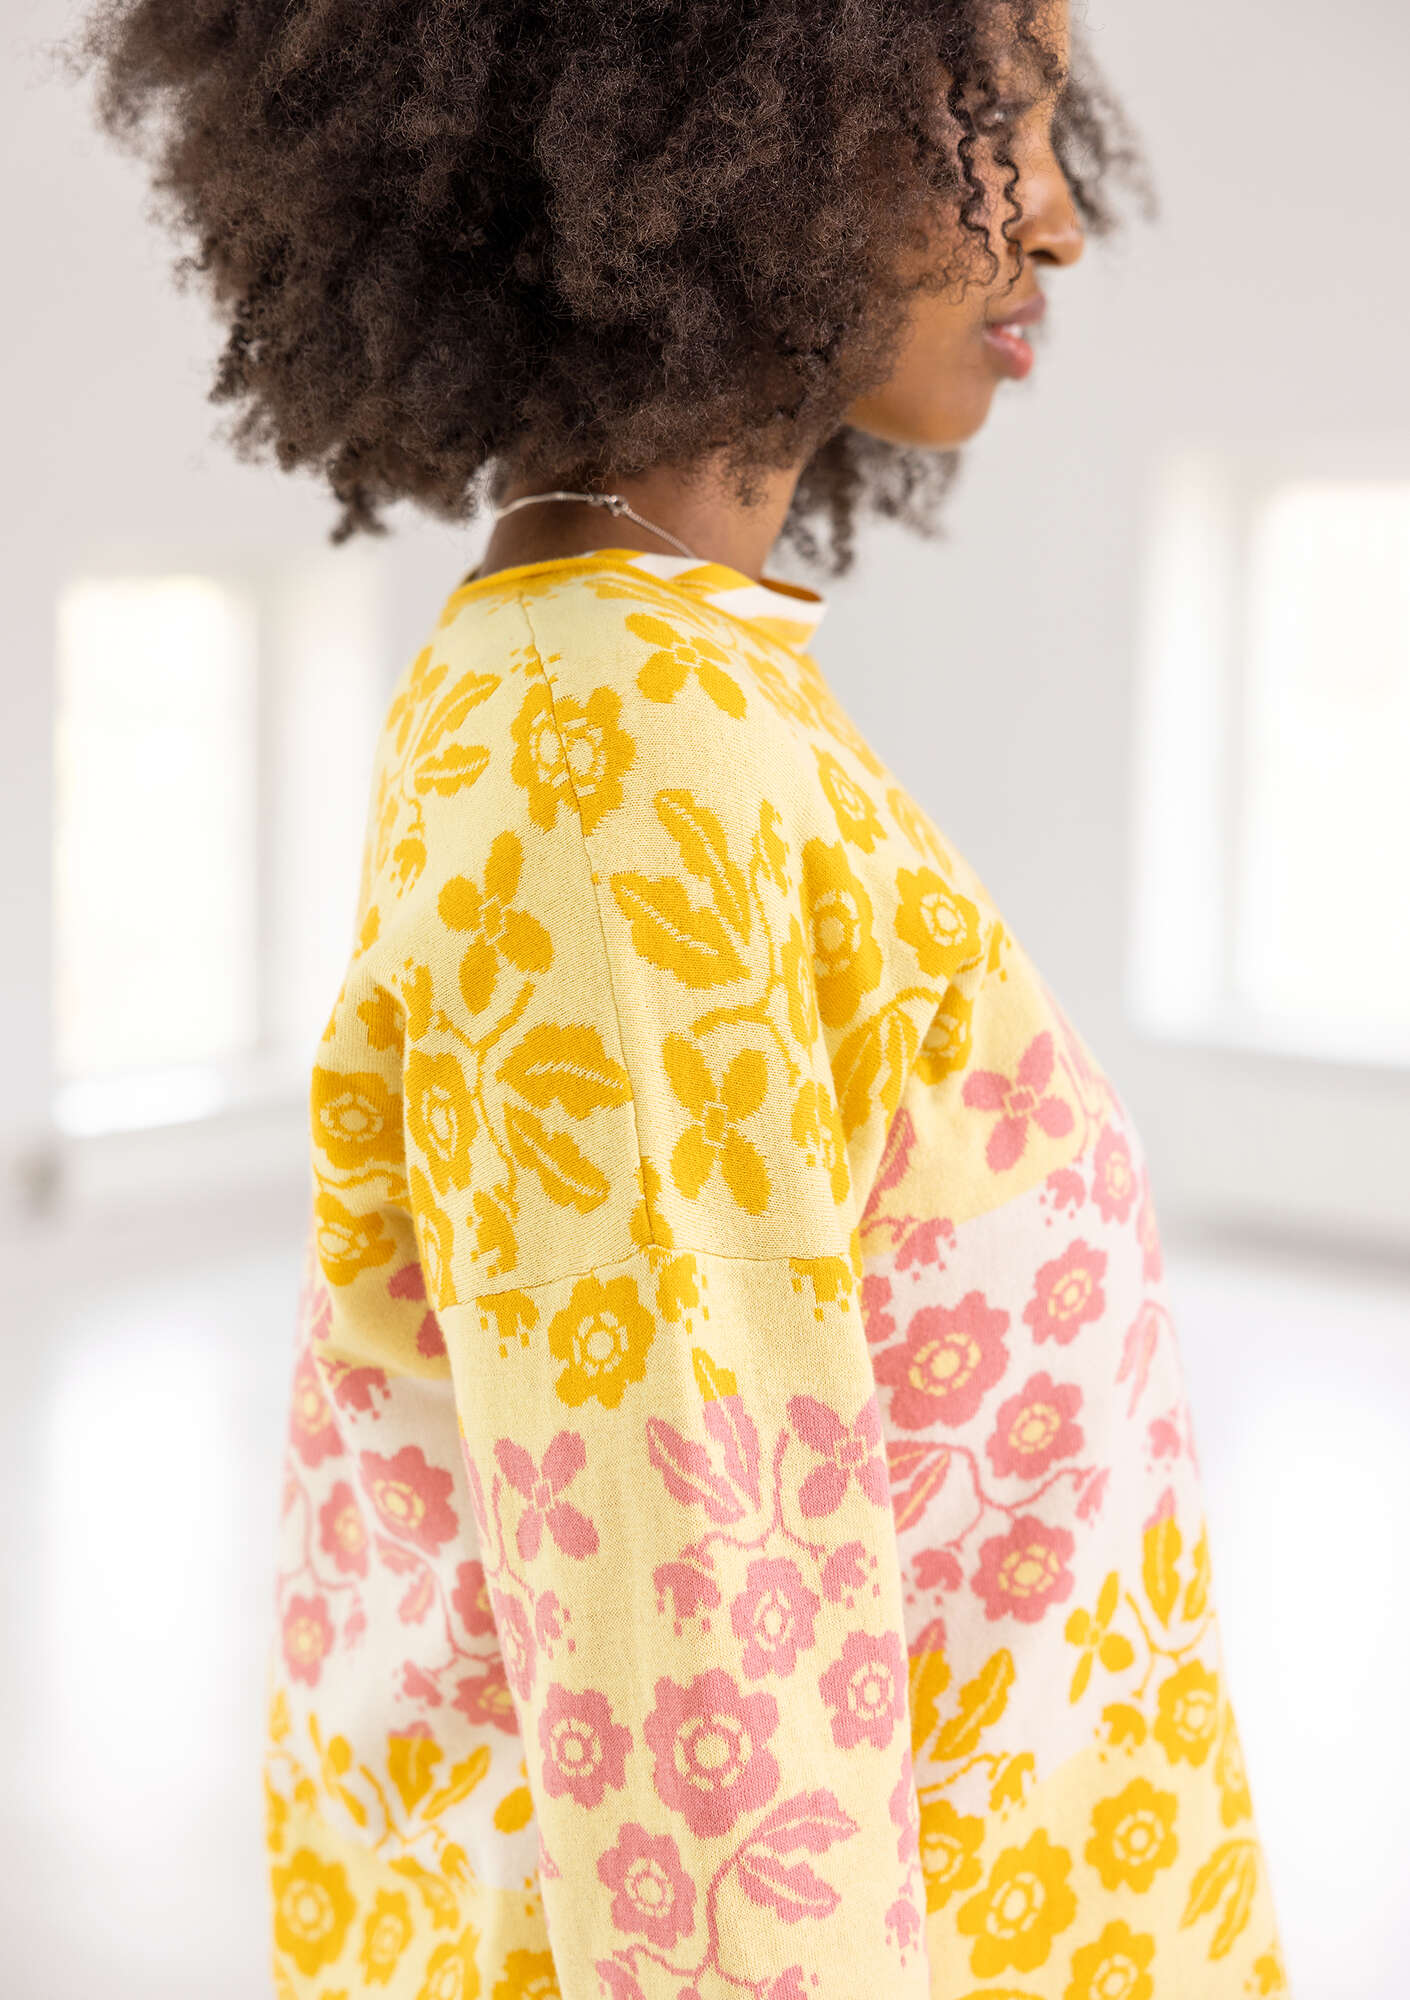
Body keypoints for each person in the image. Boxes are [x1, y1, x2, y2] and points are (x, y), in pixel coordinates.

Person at [73, 1, 1287, 1994]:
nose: (1059, 220)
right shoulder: (621, 768)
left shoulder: (648, 686)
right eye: (999, 119)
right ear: (752, 131)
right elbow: (705, 1694)